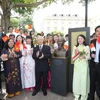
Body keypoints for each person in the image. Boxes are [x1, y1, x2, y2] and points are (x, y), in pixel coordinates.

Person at [72, 34, 90, 100]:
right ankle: (76, 95)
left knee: (83, 80)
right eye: (78, 38)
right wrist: (77, 53)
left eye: (81, 38)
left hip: (84, 65)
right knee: (76, 80)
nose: (79, 40)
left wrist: (84, 56)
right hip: (77, 66)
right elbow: (73, 57)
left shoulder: (87, 47)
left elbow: (89, 57)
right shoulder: (75, 47)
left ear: (84, 39)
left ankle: (83, 96)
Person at [88, 25, 100, 100]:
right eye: (97, 31)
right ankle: (91, 97)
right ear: (95, 33)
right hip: (93, 66)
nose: (99, 32)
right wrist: (91, 54)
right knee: (92, 83)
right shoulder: (92, 42)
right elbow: (90, 52)